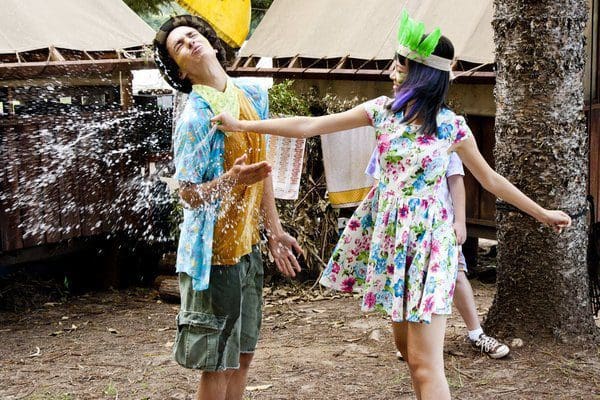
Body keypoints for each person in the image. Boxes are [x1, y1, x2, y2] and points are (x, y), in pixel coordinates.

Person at [212, 13, 571, 400]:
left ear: (422, 75)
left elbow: (491, 180)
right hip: (393, 242)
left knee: (425, 363)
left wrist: (542, 213)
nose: (391, 72)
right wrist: (243, 125)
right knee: (408, 354)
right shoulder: (382, 111)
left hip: (430, 243)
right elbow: (308, 126)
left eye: (399, 66)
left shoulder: (452, 126)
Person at [153, 15, 302, 400]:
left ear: (209, 41)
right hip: (213, 257)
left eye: (192, 35)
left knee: (243, 355)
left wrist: (274, 231)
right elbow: (187, 195)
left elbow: (262, 171)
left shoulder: (251, 95)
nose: (190, 42)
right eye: (179, 45)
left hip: (247, 250)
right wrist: (230, 180)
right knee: (217, 364)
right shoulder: (194, 118)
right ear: (180, 71)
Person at [367, 146, 510, 359]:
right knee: (405, 279)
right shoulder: (389, 136)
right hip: (402, 229)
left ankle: (476, 334)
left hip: (438, 227)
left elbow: (456, 180)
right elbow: (378, 182)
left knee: (456, 274)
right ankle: (409, 342)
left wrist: (460, 222)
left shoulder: (445, 136)